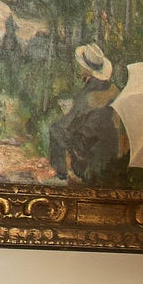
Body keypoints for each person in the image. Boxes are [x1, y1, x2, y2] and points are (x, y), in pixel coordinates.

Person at [48, 43, 127, 183]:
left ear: (86, 68)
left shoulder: (87, 92)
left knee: (55, 129)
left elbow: (70, 124)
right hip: (109, 147)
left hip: (90, 150)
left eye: (81, 65)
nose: (80, 67)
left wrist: (69, 113)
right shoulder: (109, 87)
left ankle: (62, 176)